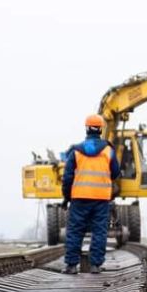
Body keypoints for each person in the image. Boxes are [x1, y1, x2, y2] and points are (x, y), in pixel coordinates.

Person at [61, 114, 120, 275]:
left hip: (79, 198)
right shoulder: (108, 151)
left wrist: (66, 197)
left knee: (75, 231)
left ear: (87, 128)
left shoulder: (76, 151)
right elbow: (116, 172)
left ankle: (71, 266)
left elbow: (67, 177)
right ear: (101, 129)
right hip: (101, 198)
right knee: (99, 231)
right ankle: (95, 265)